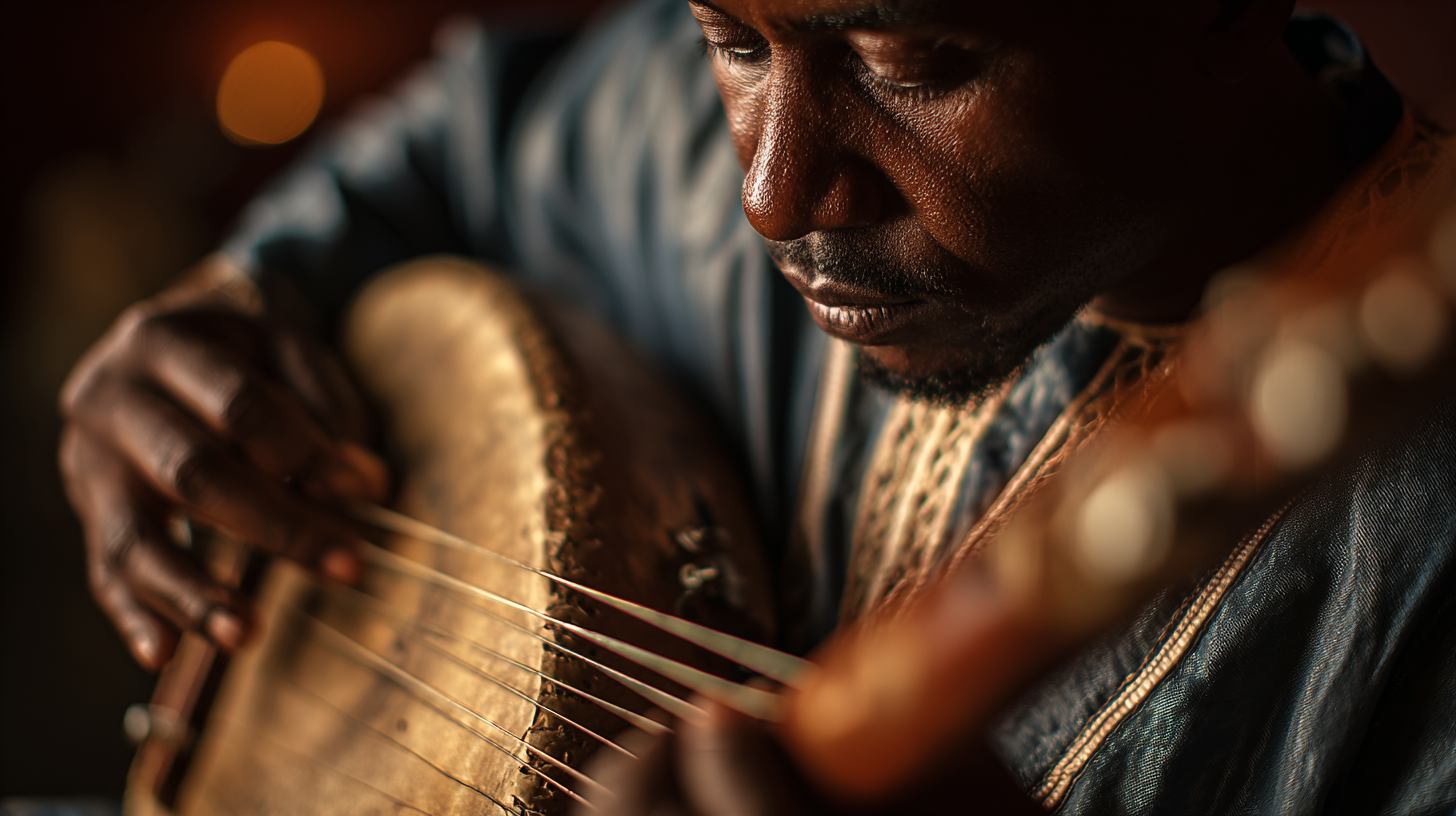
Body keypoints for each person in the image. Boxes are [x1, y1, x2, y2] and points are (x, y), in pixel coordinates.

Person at [57, 0, 1456, 812]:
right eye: (728, 36)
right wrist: (239, 304)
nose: (774, 193)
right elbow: (460, 139)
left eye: (907, 62)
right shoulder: (693, 130)